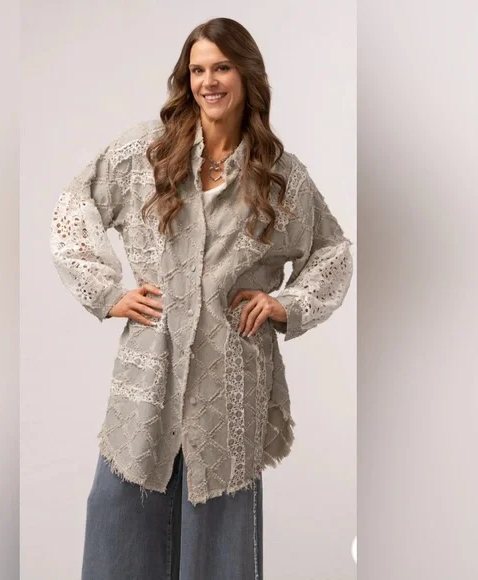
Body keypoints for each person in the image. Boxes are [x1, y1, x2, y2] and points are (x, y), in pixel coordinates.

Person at [50, 16, 353, 580]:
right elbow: (75, 203)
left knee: (219, 542)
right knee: (119, 519)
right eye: (197, 70)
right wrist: (108, 293)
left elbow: (333, 252)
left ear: (247, 75)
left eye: (222, 68)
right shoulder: (147, 152)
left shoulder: (279, 176)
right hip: (151, 372)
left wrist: (285, 304)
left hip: (229, 380)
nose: (208, 81)